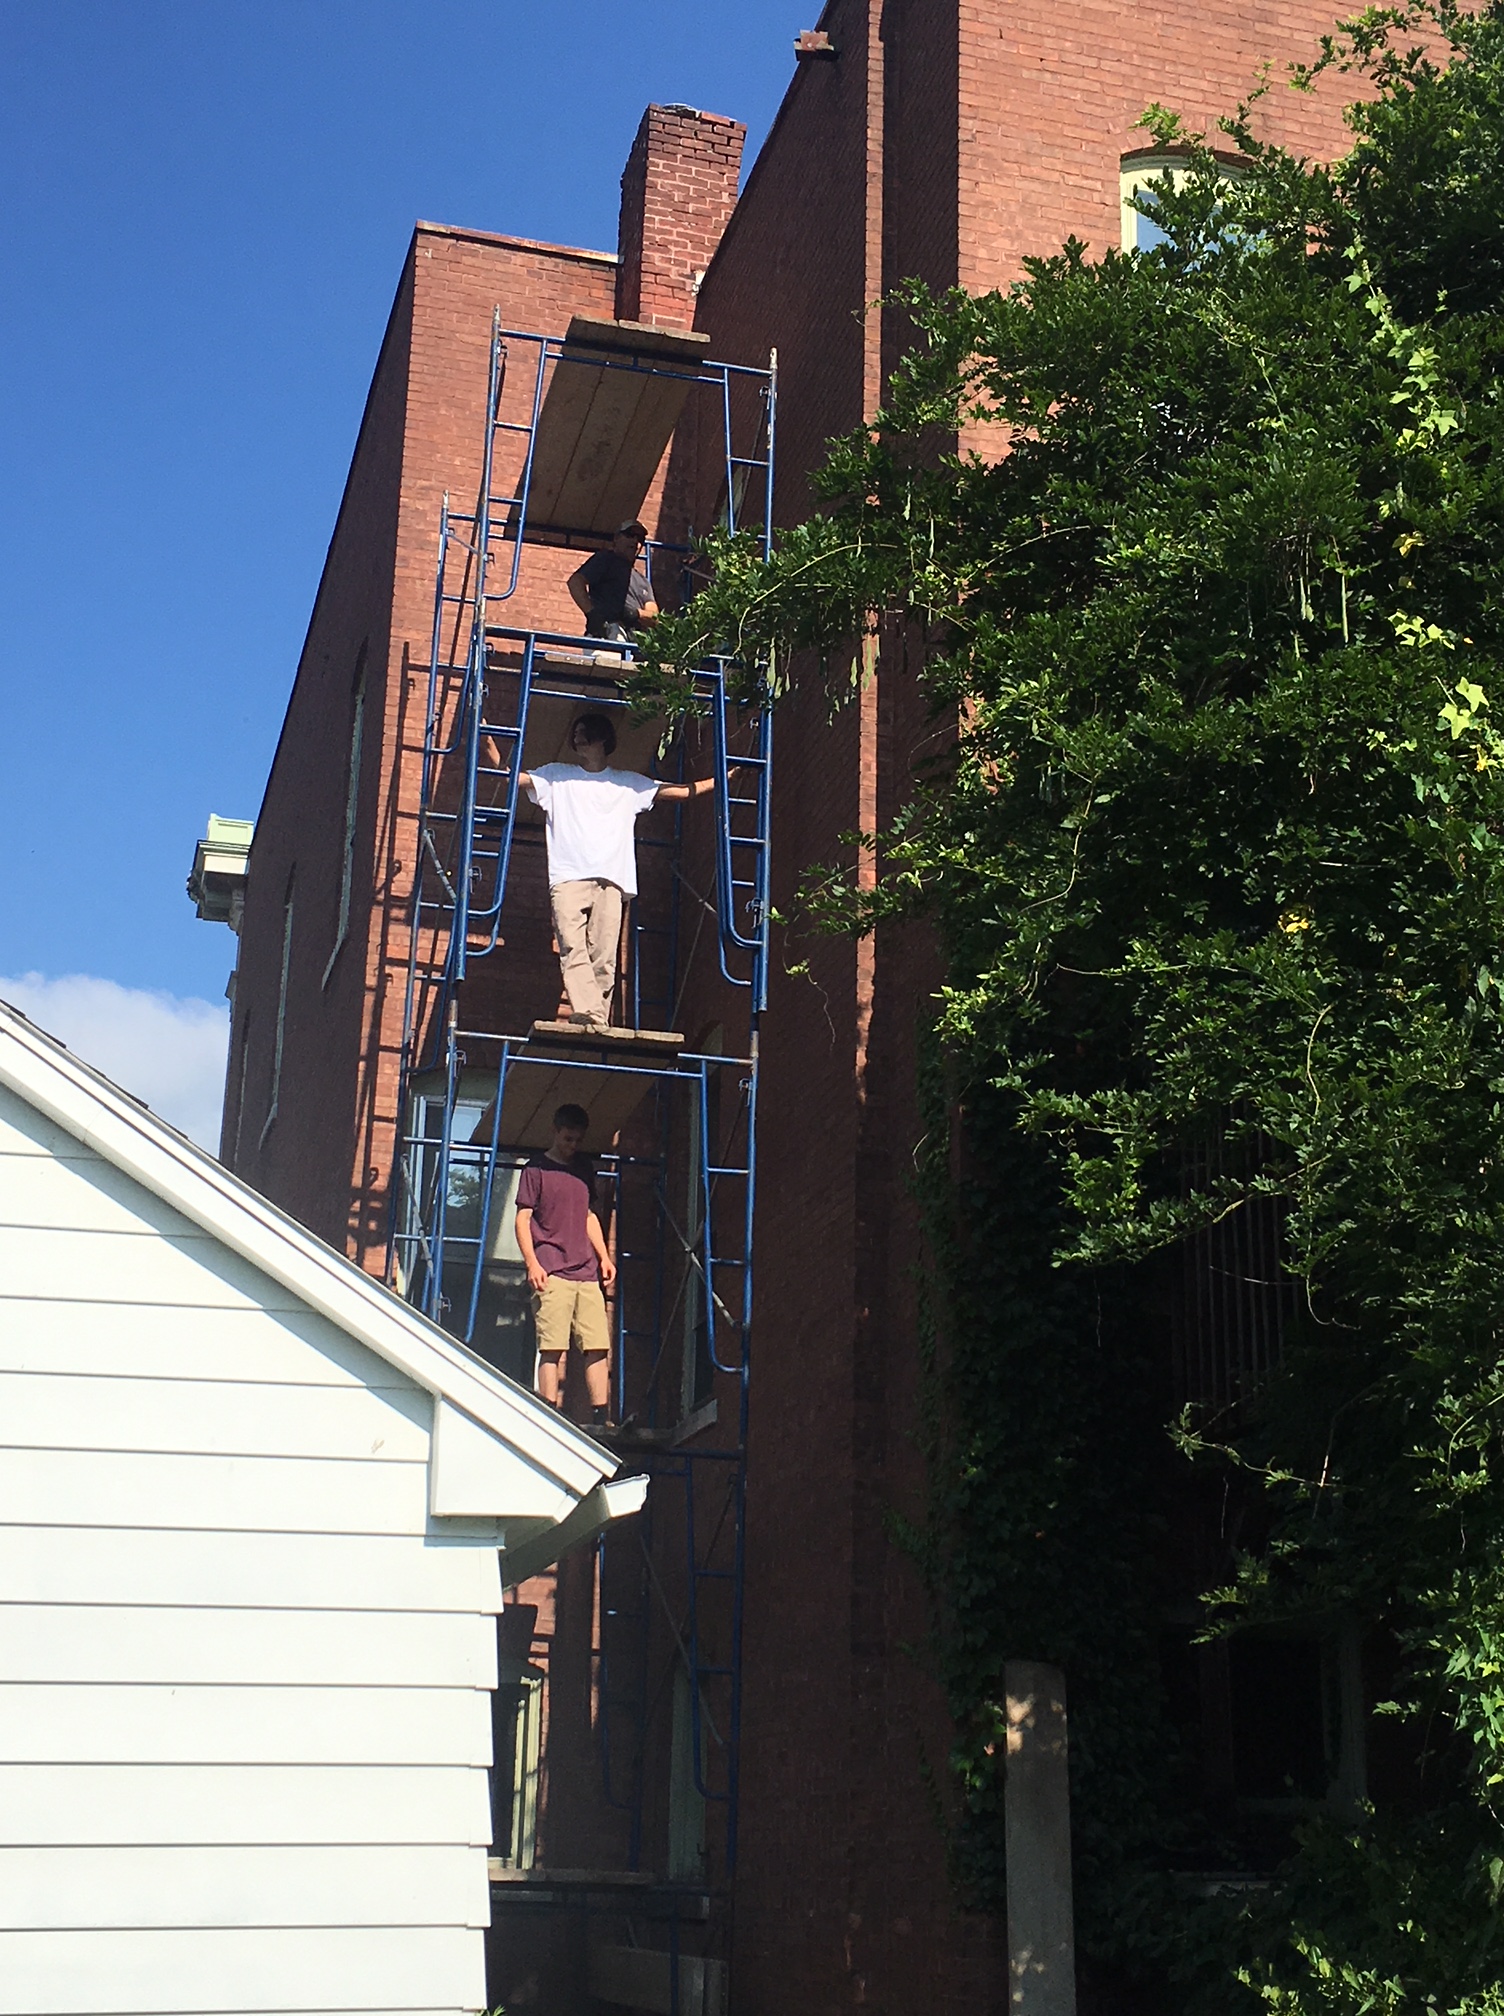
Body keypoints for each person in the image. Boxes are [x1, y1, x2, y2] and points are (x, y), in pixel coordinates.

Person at [518, 711, 720, 1030]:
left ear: (601, 739)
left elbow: (680, 792)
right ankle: (588, 1012)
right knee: (571, 944)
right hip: (568, 875)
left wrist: (724, 779)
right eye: (576, 733)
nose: (576, 738)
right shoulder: (557, 775)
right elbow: (519, 779)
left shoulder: (627, 783)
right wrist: (487, 748)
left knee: (603, 952)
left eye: (583, 733)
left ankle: (597, 1015)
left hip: (611, 877)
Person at [514, 1102, 616, 1426]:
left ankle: (602, 1416)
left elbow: (588, 1216)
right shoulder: (536, 1170)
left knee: (597, 1344)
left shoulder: (584, 1169)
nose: (572, 1145)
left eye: (577, 1140)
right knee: (552, 1345)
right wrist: (532, 1263)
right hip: (551, 1269)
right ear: (556, 1132)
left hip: (585, 1270)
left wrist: (604, 1257)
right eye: (568, 1138)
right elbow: (522, 1218)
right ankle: (550, 1413)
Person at [568, 520, 659, 642]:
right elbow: (575, 582)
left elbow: (655, 616)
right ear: (616, 538)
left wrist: (635, 614)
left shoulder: (643, 581)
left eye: (640, 539)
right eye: (630, 535)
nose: (635, 541)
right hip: (607, 631)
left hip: (635, 640)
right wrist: (592, 614)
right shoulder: (605, 560)